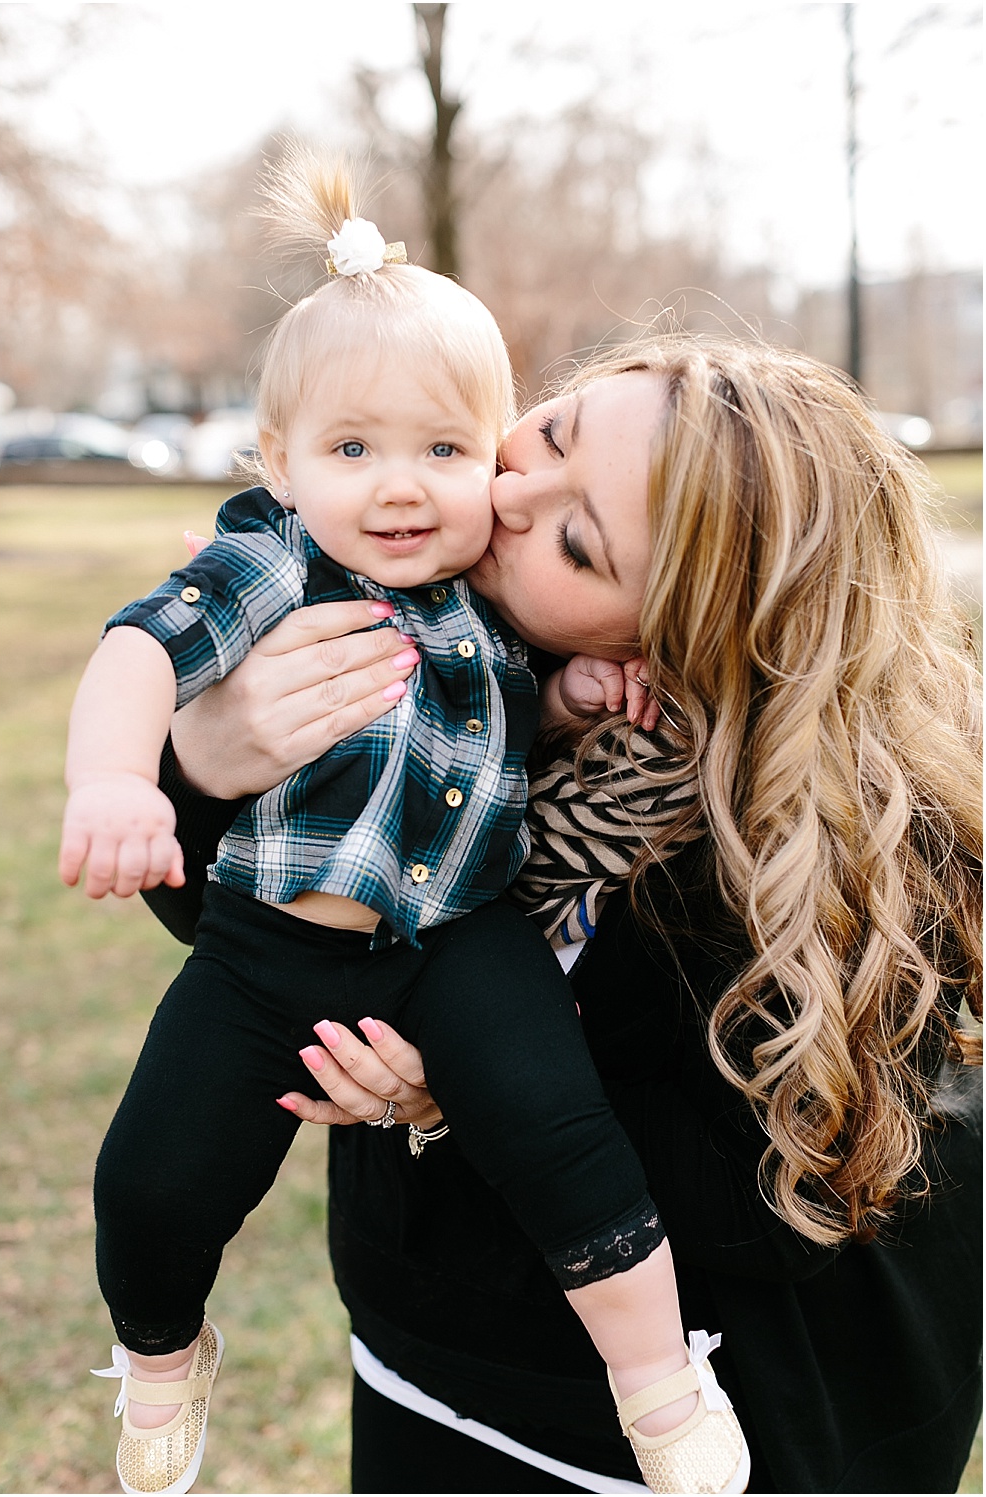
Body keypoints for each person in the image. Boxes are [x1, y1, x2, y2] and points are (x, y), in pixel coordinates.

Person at [146, 330, 982, 1494]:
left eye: (577, 541)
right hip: (430, 1349)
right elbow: (254, 930)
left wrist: (469, 1077)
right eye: (551, 429)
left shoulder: (837, 835)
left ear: (682, 637)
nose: (503, 490)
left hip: (758, 1417)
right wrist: (207, 765)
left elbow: (785, 1203)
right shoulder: (417, 627)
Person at [62, 150, 747, 1496]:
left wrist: (571, 699)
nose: (401, 488)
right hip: (272, 941)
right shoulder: (274, 556)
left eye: (444, 450)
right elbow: (139, 652)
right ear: (280, 459)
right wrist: (116, 782)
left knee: (568, 1146)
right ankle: (156, 1352)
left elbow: (493, 729)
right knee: (157, 1174)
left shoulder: (482, 587)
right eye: (353, 448)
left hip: (458, 936)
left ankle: (656, 1377)